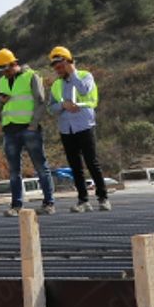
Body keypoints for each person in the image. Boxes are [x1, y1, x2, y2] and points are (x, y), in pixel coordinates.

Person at [47, 46, 111, 212]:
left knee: (92, 162)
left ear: (69, 63)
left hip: (84, 125)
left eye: (61, 67)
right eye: (56, 68)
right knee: (75, 166)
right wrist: (62, 105)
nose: (58, 70)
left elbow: (84, 90)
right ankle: (83, 200)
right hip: (66, 129)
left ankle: (103, 198)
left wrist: (73, 72)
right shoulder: (56, 85)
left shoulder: (85, 76)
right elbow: (51, 108)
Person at [0, 48, 56, 216]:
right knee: (14, 171)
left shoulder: (31, 76)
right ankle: (16, 206)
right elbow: (0, 106)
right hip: (10, 130)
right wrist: (1, 102)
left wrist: (33, 125)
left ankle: (49, 203)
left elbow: (41, 101)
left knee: (40, 167)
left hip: (29, 129)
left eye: (6, 69)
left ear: (14, 63)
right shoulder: (2, 81)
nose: (4, 73)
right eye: (0, 70)